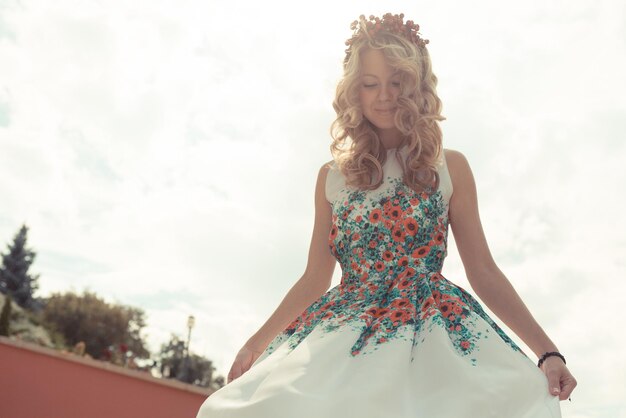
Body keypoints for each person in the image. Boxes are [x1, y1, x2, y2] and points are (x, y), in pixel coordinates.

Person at [196, 13, 577, 417]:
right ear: (353, 91)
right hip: (344, 331)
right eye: (370, 84)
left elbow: (483, 270)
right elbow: (314, 277)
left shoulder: (450, 168)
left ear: (417, 85)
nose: (384, 95)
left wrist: (546, 351)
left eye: (397, 82)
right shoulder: (332, 178)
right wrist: (255, 345)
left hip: (434, 332)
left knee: (508, 397)